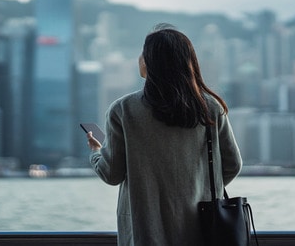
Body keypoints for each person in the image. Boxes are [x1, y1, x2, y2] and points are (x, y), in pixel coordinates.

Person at [87, 24, 242, 246]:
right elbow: (232, 164)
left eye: (143, 52)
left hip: (145, 233)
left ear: (150, 61)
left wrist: (95, 152)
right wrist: (198, 188)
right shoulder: (210, 107)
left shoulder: (124, 110)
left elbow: (111, 173)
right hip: (202, 230)